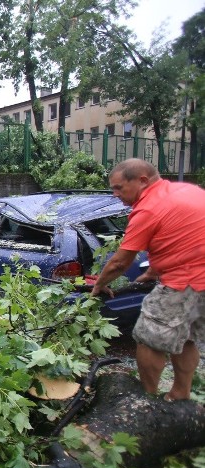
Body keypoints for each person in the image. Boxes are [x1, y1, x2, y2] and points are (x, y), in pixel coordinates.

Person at [90, 158, 205, 401]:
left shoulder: (148, 208)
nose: (114, 194)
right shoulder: (186, 190)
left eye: (119, 188)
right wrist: (153, 271)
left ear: (142, 180)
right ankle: (180, 393)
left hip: (184, 281)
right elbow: (182, 236)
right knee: (187, 338)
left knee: (148, 338)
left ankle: (148, 398)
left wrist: (99, 284)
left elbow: (121, 262)